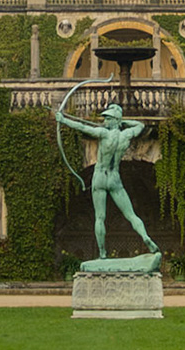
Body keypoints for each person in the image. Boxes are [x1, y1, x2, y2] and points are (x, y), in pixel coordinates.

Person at [55, 101, 159, 260]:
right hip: (114, 178)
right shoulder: (126, 135)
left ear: (114, 120)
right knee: (131, 215)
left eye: (108, 118)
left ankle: (102, 253)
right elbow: (140, 125)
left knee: (100, 217)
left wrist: (63, 120)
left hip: (100, 176)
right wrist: (123, 123)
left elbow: (82, 127)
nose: (105, 121)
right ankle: (145, 236)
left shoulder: (103, 134)